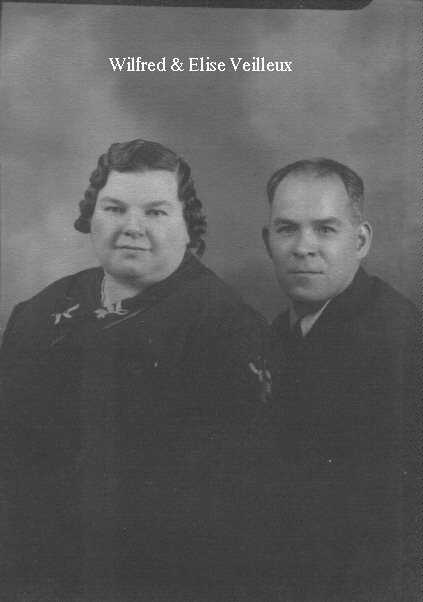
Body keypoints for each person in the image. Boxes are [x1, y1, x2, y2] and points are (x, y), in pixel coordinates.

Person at [0, 139, 270, 600]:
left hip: (161, 576)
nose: (131, 227)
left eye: (156, 212)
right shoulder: (39, 312)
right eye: (114, 208)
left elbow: (227, 506)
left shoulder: (226, 328)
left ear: (188, 227)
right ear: (92, 215)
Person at [262, 158, 419, 601]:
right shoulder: (279, 332)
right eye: (287, 229)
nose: (303, 247)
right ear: (267, 241)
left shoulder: (396, 340)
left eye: (326, 229)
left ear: (361, 240)